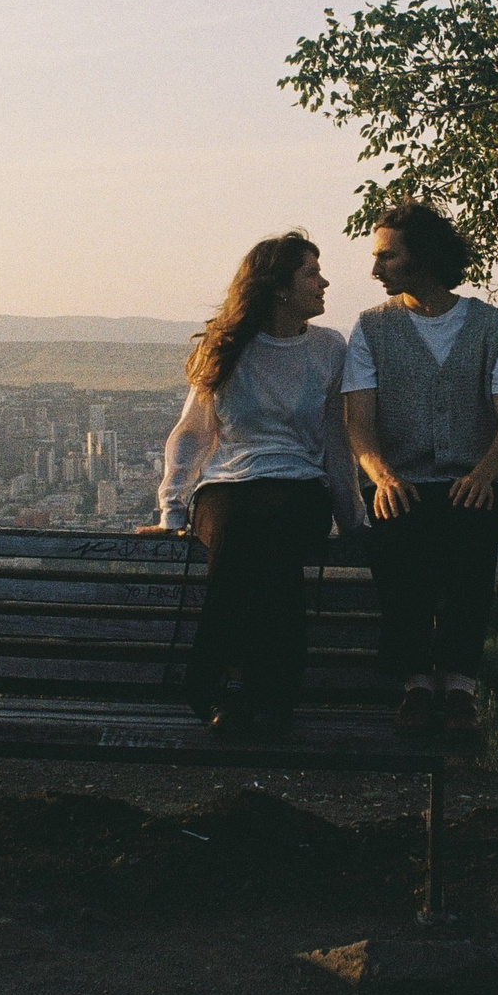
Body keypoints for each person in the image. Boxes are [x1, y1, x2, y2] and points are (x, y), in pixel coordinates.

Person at [141, 232, 361, 739]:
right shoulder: (227, 346)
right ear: (280, 288)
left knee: (266, 526)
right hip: (227, 486)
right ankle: (271, 692)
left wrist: (351, 518)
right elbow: (193, 432)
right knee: (253, 532)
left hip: (299, 485)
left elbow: (335, 437)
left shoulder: (329, 348)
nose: (324, 281)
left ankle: (217, 681)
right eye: (311, 272)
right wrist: (172, 509)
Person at [342, 201, 498, 734]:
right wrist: (382, 476)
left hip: (472, 477)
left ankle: (460, 684)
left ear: (421, 258)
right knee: (400, 540)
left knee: (471, 541)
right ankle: (416, 681)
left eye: (386, 256)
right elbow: (359, 422)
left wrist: (483, 474)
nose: (375, 269)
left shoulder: (491, 329)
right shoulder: (371, 329)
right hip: (401, 478)